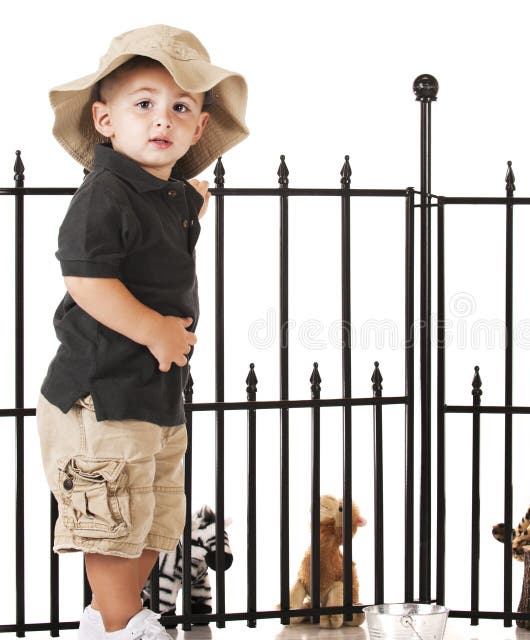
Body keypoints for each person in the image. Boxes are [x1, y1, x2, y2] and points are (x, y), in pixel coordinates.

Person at [38, 25, 248, 640]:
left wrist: (191, 198)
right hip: (100, 397)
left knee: (150, 517)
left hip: (150, 399)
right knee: (109, 523)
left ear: (199, 127)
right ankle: (114, 626)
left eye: (180, 107)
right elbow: (86, 279)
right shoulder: (106, 193)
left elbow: (183, 204)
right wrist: (157, 332)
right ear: (104, 120)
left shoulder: (163, 195)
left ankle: (125, 619)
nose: (163, 119)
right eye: (144, 104)